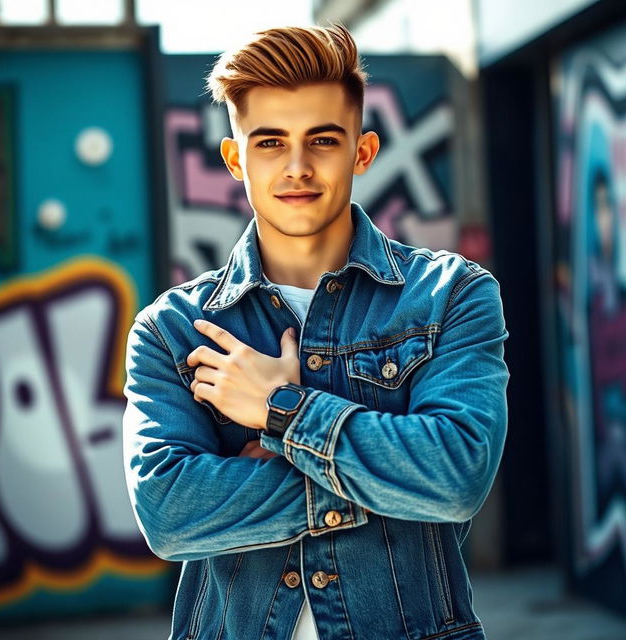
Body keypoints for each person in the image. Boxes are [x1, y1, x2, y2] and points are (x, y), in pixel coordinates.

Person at [122, 23, 510, 640]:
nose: (297, 167)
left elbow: (455, 476)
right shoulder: (172, 331)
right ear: (234, 158)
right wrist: (385, 483)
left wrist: (279, 412)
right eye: (270, 142)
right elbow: (171, 515)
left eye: (322, 140)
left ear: (362, 150)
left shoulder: (451, 296)